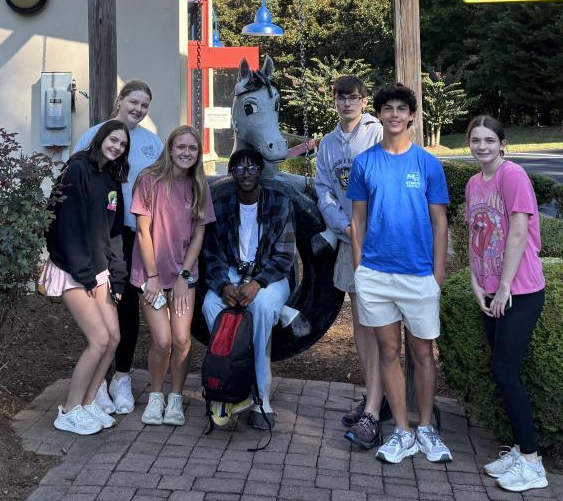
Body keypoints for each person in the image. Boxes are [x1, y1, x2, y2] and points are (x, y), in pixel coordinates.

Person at [346, 83, 453, 465]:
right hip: (376, 276)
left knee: (423, 353)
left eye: (401, 109)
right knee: (389, 353)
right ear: (379, 114)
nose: (394, 114)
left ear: (411, 116)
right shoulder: (365, 163)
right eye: (387, 108)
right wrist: (361, 269)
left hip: (418, 275)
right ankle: (403, 432)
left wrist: (437, 274)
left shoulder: (427, 164)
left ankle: (426, 428)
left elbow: (440, 222)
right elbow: (357, 220)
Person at [465, 115, 548, 492]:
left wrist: (503, 287)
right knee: (501, 370)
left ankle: (532, 462)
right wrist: (476, 281)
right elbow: (474, 232)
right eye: (476, 140)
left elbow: (517, 234)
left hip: (521, 290)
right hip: (491, 289)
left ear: (502, 144)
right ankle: (519, 450)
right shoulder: (473, 183)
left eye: (489, 140)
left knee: (505, 371)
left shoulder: (511, 175)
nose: (482, 146)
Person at [72, 80, 163, 415]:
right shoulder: (95, 135)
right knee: (100, 304)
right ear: (120, 100)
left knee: (127, 306)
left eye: (144, 105)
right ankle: (96, 383)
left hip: (137, 234)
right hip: (100, 234)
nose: (138, 109)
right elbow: (76, 181)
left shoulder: (152, 143)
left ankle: (121, 377)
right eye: (133, 101)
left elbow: (163, 188)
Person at [42, 119, 130, 435]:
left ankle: (89, 402)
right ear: (101, 138)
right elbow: (67, 226)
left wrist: (117, 278)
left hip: (100, 271)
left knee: (114, 338)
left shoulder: (112, 178)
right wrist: (86, 276)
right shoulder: (78, 169)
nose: (117, 147)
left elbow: (114, 232)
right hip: (73, 270)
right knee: (99, 340)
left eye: (122, 144)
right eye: (113, 140)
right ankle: (69, 410)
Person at [201, 147, 297, 429]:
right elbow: (212, 254)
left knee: (262, 308)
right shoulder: (222, 205)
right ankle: (230, 382)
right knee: (211, 306)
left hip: (269, 276)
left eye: (252, 168)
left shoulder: (280, 203)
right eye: (239, 169)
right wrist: (222, 286)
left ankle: (260, 396)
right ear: (232, 173)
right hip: (232, 272)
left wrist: (257, 283)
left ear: (260, 172)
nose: (246, 174)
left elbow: (284, 256)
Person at [313, 74, 387, 432]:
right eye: (341, 97)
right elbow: (324, 189)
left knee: (383, 323)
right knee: (361, 323)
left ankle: (384, 398)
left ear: (364, 101)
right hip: (349, 238)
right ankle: (374, 396)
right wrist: (344, 227)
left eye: (353, 97)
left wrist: (369, 227)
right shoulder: (328, 144)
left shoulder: (376, 134)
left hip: (380, 241)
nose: (347, 103)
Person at [130, 124, 215, 426]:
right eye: (181, 146)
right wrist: (152, 276)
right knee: (162, 340)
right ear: (170, 149)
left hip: (183, 275)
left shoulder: (199, 186)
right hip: (150, 274)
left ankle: (175, 397)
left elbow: (198, 235)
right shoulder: (148, 180)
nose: (186, 153)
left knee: (181, 339)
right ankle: (156, 396)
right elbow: (143, 231)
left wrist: (183, 276)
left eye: (192, 148)